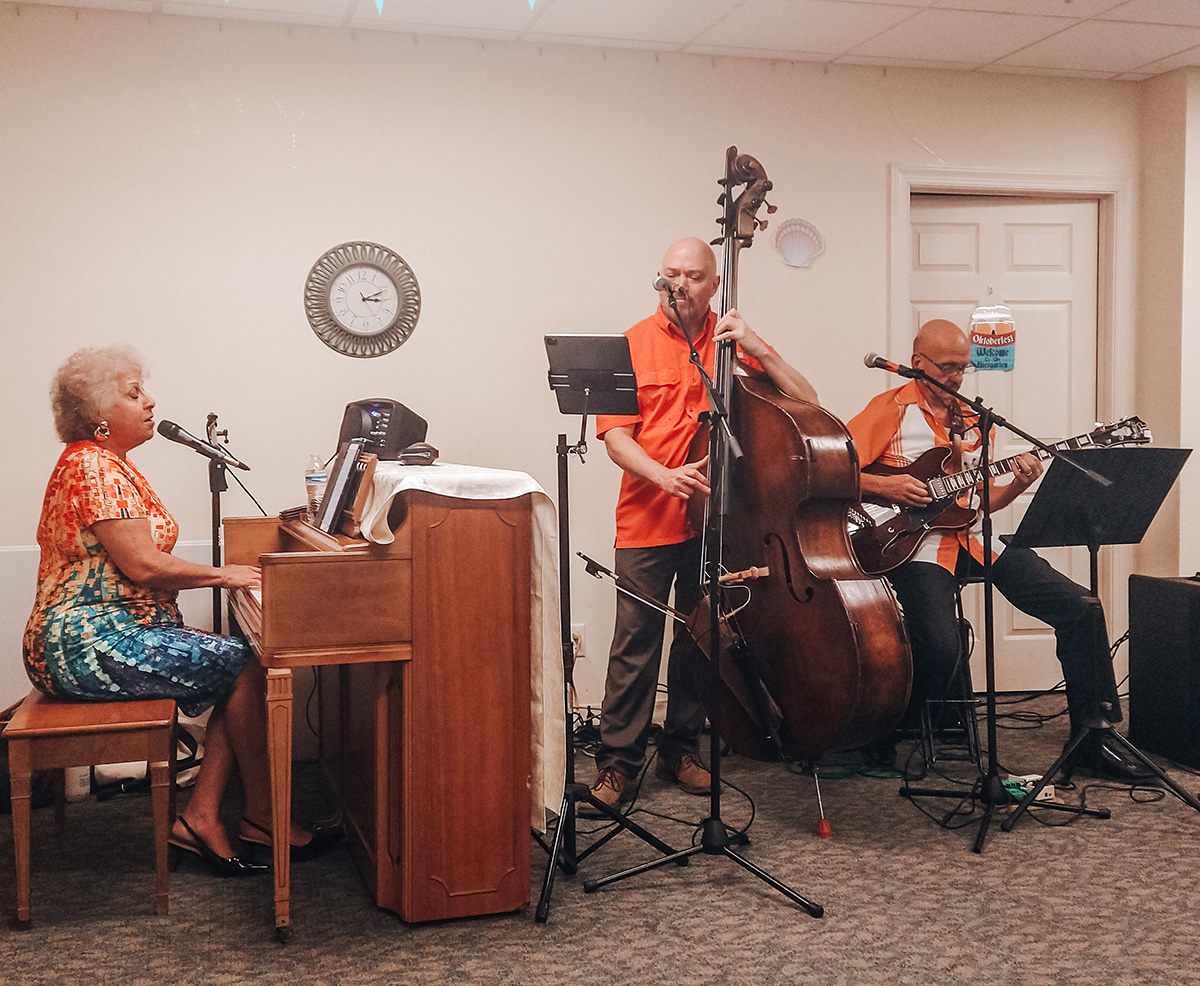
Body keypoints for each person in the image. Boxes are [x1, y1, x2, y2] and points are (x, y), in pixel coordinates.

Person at [22, 345, 341, 876]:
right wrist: (227, 574)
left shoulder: (111, 465)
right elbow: (144, 566)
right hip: (84, 642)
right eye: (133, 393)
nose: (150, 401)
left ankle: (205, 816)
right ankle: (259, 819)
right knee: (242, 664)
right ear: (100, 415)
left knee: (238, 663)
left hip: (107, 632)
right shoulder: (92, 466)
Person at [846, 318, 1152, 780]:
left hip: (970, 537)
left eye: (963, 368)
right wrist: (885, 486)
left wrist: (1016, 485)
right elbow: (828, 471)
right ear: (918, 364)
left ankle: (1095, 734)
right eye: (946, 367)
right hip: (910, 542)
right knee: (941, 645)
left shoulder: (974, 420)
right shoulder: (889, 409)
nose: (955, 377)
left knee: (1080, 606)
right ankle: (898, 727)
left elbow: (981, 499)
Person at [582, 237, 820, 814]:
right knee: (634, 642)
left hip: (718, 521)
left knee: (699, 639)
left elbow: (808, 400)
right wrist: (663, 477)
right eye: (670, 273)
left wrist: (758, 343)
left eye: (692, 275)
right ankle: (619, 762)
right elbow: (615, 436)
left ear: (713, 285)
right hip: (646, 517)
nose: (679, 284)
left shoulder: (729, 342)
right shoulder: (629, 344)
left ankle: (680, 747)